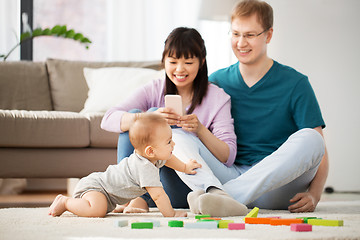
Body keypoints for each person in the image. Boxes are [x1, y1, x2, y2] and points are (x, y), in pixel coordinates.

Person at [192, 0, 328, 213]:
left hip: (277, 187)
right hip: (230, 173)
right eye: (235, 34)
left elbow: (320, 151)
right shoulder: (216, 81)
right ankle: (226, 197)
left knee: (313, 138)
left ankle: (226, 197)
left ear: (269, 35)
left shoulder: (296, 83)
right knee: (181, 133)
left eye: (249, 35)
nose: (240, 42)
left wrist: (315, 194)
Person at [101, 27, 248, 217]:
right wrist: (144, 118)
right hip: (151, 184)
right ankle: (133, 195)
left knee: (152, 120)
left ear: (201, 62)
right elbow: (108, 118)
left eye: (188, 62)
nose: (180, 69)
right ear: (164, 62)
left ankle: (143, 198)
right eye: (172, 61)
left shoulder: (217, 98)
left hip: (186, 184)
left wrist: (200, 130)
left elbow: (228, 157)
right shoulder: (154, 89)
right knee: (138, 117)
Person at [48, 113, 201, 218]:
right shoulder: (144, 167)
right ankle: (65, 202)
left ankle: (113, 205)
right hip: (96, 187)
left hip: (108, 195)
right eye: (169, 142)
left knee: (105, 207)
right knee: (97, 210)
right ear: (150, 150)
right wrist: (171, 214)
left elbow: (169, 159)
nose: (173, 144)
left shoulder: (154, 157)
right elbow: (158, 195)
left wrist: (185, 167)